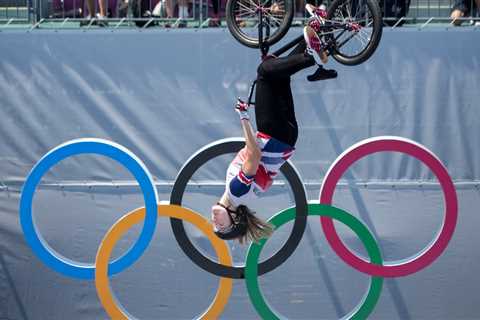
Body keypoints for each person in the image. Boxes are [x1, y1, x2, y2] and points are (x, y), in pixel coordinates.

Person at [211, 6, 336, 244]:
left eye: (215, 227)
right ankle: (312, 56)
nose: (216, 224)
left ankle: (321, 28)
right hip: (273, 134)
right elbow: (254, 153)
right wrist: (244, 117)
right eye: (223, 228)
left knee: (280, 72)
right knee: (265, 72)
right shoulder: (236, 192)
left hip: (286, 138)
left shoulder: (243, 198)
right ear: (234, 219)